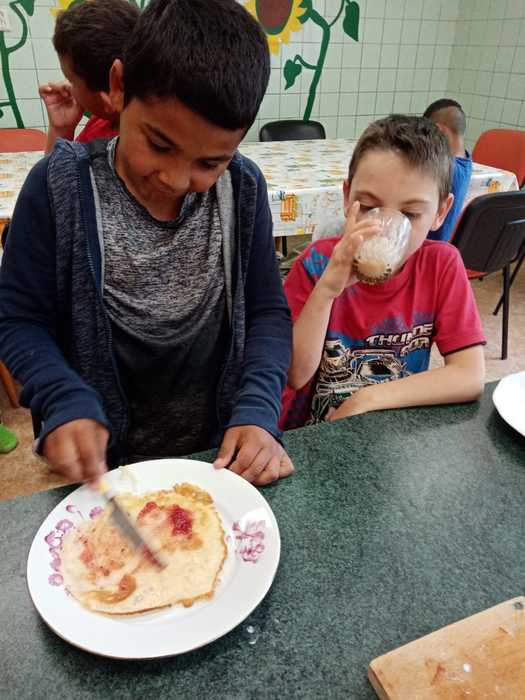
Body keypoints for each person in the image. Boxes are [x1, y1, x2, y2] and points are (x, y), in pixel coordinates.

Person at [0, 0, 293, 486]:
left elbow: (266, 311)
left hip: (214, 457)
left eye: (209, 162)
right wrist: (59, 394)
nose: (176, 179)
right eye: (159, 145)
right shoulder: (59, 187)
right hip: (103, 467)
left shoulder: (242, 188)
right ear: (118, 86)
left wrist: (258, 407)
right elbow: (18, 318)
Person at [280, 115, 485, 429]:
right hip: (315, 433)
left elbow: (469, 375)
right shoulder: (317, 262)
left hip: (389, 431)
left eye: (410, 214)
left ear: (440, 212)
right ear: (347, 196)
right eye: (367, 207)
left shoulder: (441, 265)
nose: (383, 228)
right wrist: (327, 291)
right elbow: (295, 374)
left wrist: (367, 398)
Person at [39, 0, 140, 154]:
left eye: (71, 80)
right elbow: (56, 168)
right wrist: (61, 129)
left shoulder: (127, 150)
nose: (68, 86)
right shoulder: (101, 122)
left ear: (107, 99)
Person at [423, 98, 472, 242]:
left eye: (426, 133)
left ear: (438, 130)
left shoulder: (442, 168)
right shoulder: (465, 161)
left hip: (427, 244)